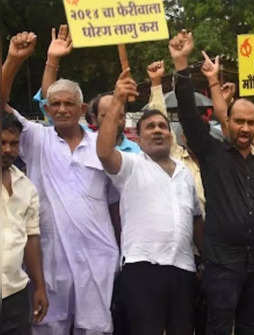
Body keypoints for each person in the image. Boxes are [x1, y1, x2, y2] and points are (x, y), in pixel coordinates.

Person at [2, 34, 119, 335]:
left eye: (69, 103)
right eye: (55, 104)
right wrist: (14, 60)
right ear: (47, 109)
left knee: (94, 330)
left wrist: (119, 250)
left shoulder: (102, 147)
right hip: (50, 260)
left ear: (82, 110)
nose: (63, 109)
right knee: (49, 329)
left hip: (97, 257)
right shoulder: (36, 139)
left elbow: (116, 205)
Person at [169, 29, 254, 335]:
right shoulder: (212, 151)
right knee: (218, 326)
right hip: (223, 263)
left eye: (250, 122)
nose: (244, 127)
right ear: (227, 121)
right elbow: (188, 115)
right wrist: (181, 66)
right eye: (238, 121)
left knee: (251, 326)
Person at [97, 69, 202, 334]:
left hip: (183, 268)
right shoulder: (130, 165)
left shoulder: (185, 173)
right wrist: (119, 99)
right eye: (150, 127)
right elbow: (104, 151)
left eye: (162, 127)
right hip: (142, 268)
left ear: (171, 134)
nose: (157, 131)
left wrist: (208, 260)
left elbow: (196, 220)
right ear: (139, 138)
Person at [1, 113, 49, 333]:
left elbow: (31, 237)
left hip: (15, 294)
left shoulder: (26, 186)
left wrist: (39, 286)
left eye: (13, 143)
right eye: (1, 143)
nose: (7, 150)